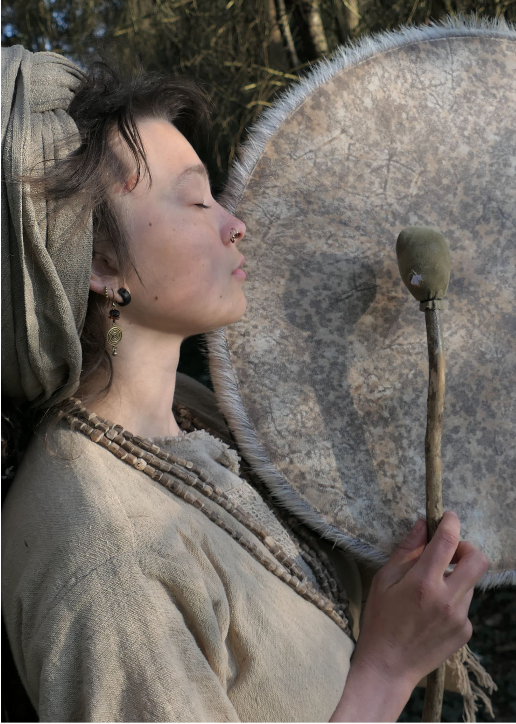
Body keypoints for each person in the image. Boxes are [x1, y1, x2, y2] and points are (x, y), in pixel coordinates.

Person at [0, 46, 490, 723]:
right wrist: (388, 669)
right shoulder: (101, 553)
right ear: (101, 262)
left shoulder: (195, 415)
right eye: (195, 200)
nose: (235, 225)